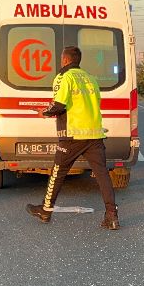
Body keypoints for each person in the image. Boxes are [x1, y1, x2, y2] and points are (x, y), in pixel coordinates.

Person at [26, 46, 119, 230]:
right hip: (95, 134)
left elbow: (59, 104)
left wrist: (43, 112)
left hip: (72, 135)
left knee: (57, 172)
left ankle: (45, 211)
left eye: (61, 58)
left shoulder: (64, 76)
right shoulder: (90, 78)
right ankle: (112, 216)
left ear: (65, 60)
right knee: (102, 175)